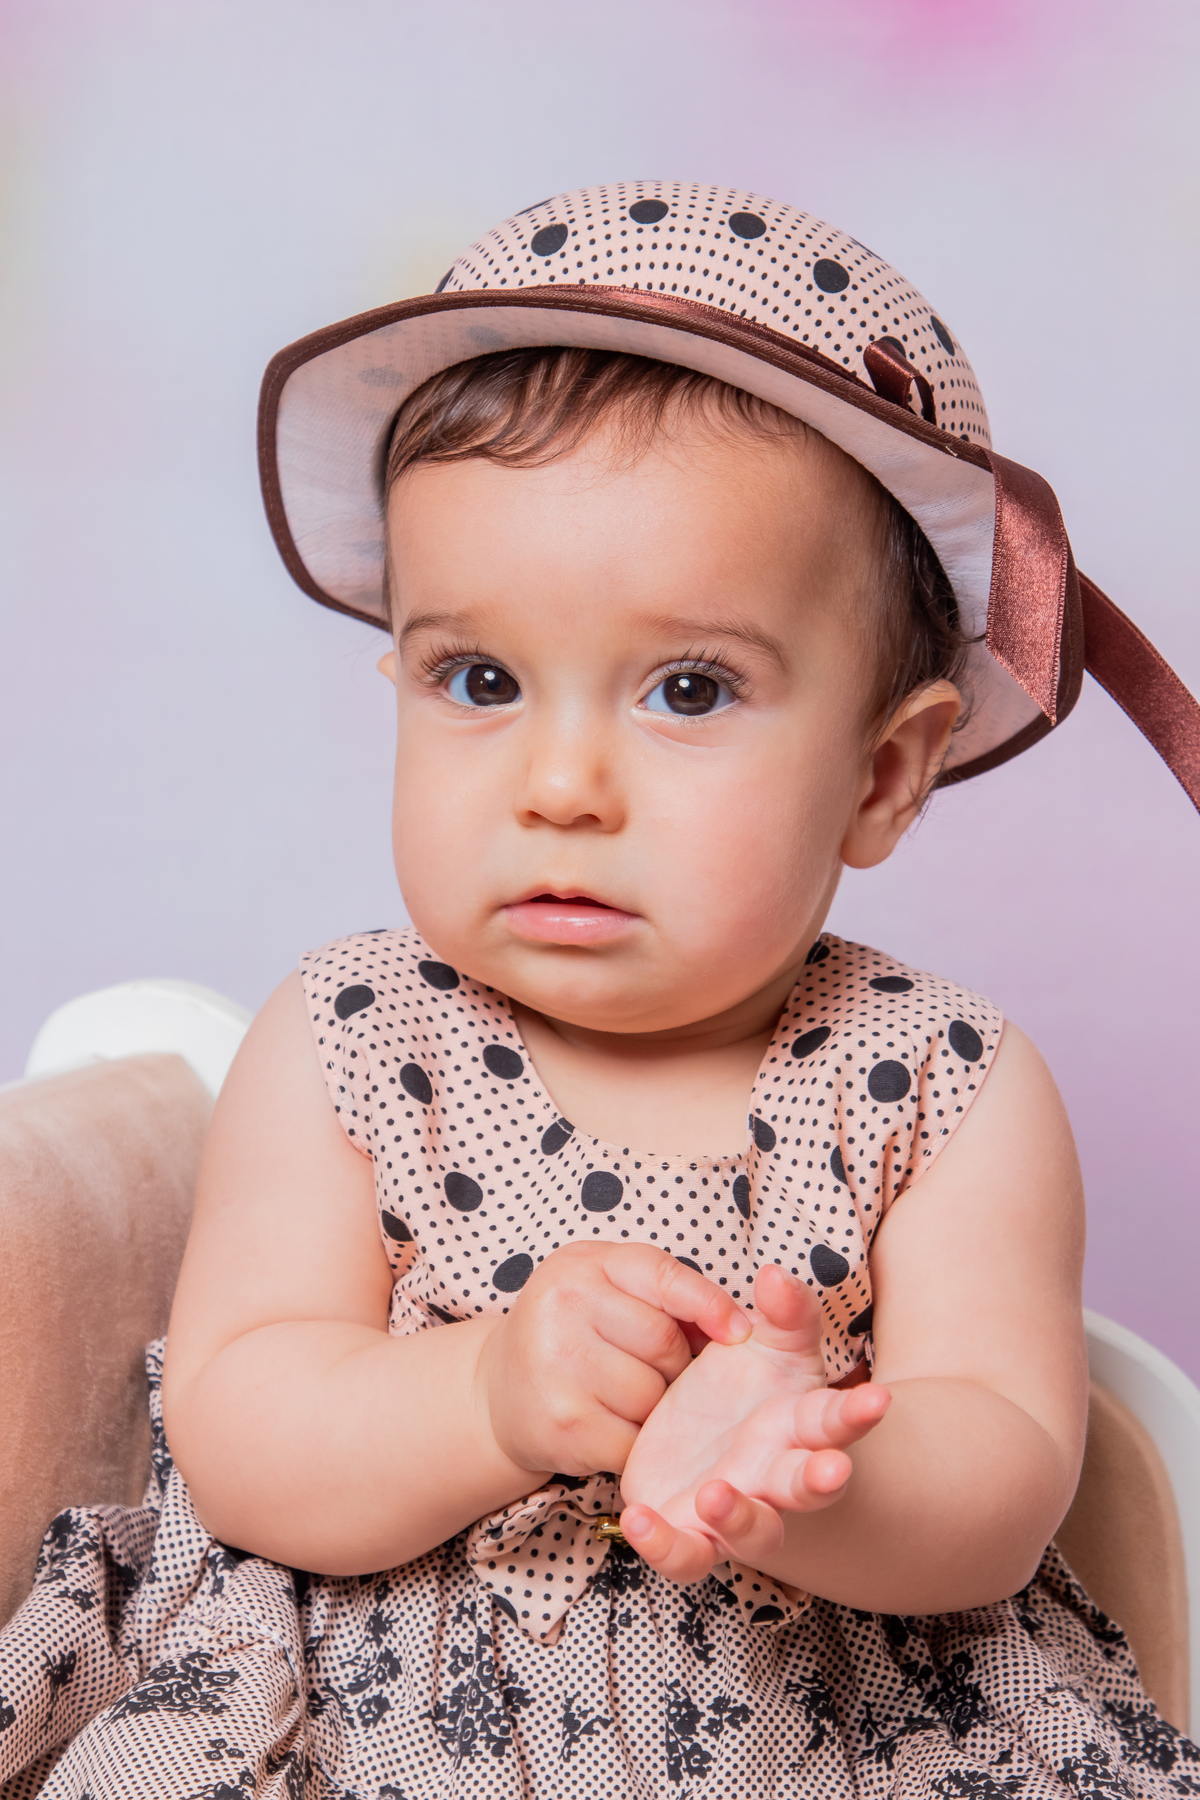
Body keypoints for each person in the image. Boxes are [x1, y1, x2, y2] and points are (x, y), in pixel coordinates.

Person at [2, 180, 1199, 1800]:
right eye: (481, 679)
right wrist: (486, 1397)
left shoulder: (943, 1082)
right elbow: (242, 1432)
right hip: (382, 1724)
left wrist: (804, 1470)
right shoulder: (349, 1041)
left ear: (883, 773)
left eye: (689, 689)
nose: (560, 785)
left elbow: (1007, 1473)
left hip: (824, 1737)